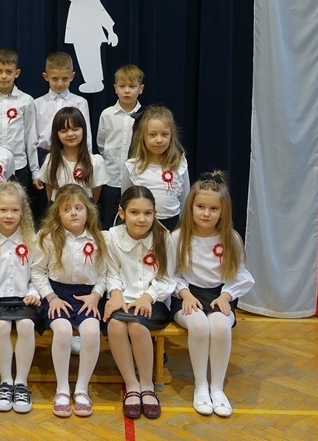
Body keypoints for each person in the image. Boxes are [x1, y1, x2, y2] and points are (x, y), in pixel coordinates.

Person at [171, 171, 254, 417]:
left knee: (219, 326)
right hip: (187, 296)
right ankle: (200, 386)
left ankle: (217, 388)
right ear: (191, 207)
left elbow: (240, 275)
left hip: (219, 296)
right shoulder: (177, 238)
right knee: (198, 325)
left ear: (223, 212)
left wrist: (227, 296)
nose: (206, 213)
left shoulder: (231, 239)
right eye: (200, 207)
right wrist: (185, 294)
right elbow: (169, 275)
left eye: (213, 209)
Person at [31, 184, 107, 418]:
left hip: (87, 297)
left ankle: (82, 388)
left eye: (78, 208)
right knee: (63, 331)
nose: (73, 213)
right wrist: (51, 297)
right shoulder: (46, 237)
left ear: (88, 211)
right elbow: (37, 271)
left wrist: (96, 295)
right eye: (66, 209)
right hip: (57, 295)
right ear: (57, 214)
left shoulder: (99, 238)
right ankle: (62, 388)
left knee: (92, 332)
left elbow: (104, 273)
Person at [103, 186, 175, 420]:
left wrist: (148, 296)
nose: (141, 219)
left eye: (148, 213)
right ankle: (132, 385)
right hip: (123, 298)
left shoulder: (164, 237)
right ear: (122, 213)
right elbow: (111, 272)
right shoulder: (112, 237)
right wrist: (115, 294)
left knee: (136, 326)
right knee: (115, 325)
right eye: (134, 212)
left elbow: (167, 278)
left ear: (155, 214)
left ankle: (147, 385)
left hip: (153, 301)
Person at [0, 181, 40, 413]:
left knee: (26, 325)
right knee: (1, 327)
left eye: (15, 210)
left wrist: (34, 293)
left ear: (23, 211)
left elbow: (38, 273)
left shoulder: (32, 239)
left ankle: (21, 383)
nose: (9, 215)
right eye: (3, 209)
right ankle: (6, 382)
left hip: (25, 299)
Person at [0, 48, 38, 206]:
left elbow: (30, 137)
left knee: (18, 207)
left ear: (17, 73)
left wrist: (35, 171)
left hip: (19, 165)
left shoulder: (26, 101)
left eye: (9, 72)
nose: (4, 76)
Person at [122, 105, 189, 231]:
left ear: (171, 135)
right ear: (143, 136)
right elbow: (125, 201)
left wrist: (181, 228)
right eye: (152, 135)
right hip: (142, 225)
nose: (159, 140)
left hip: (173, 225)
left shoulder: (179, 163)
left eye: (164, 134)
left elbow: (185, 199)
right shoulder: (132, 166)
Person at [97, 65, 145, 227]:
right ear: (115, 88)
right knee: (110, 219)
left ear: (141, 89)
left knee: (134, 216)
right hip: (111, 178)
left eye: (132, 86)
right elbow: (101, 144)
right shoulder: (107, 114)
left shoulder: (145, 116)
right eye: (122, 86)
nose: (127, 91)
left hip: (135, 178)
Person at [37, 106, 107, 204]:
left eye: (75, 129)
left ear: (83, 130)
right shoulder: (51, 160)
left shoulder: (94, 161)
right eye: (64, 131)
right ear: (57, 134)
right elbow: (49, 191)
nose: (70, 134)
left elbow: (95, 195)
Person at [33, 51, 92, 152]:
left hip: (73, 153)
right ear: (46, 77)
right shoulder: (37, 103)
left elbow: (86, 135)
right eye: (55, 79)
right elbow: (32, 137)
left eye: (65, 79)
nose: (60, 83)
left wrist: (87, 157)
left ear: (72, 77)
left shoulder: (80, 102)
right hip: (45, 152)